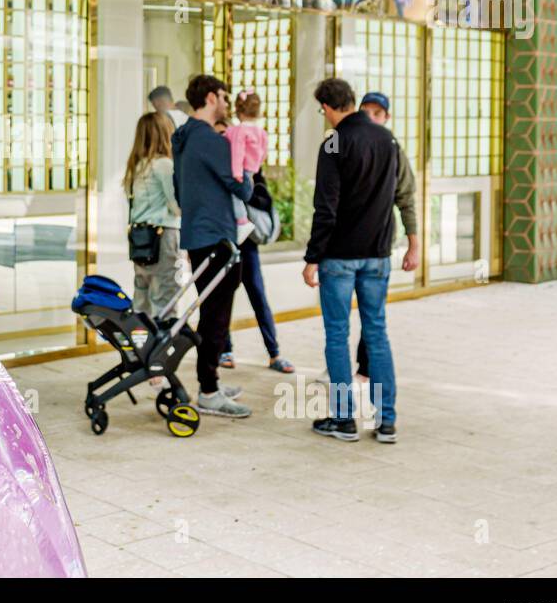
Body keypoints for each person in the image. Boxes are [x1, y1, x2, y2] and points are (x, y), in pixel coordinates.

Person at [302, 78, 399, 443]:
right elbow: (390, 196)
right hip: (377, 255)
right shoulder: (386, 139)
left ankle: (344, 420)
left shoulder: (334, 142)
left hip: (340, 257)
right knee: (377, 333)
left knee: (338, 335)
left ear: (327, 108)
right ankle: (386, 420)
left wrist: (313, 257)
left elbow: (325, 207)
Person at [171, 74, 255, 418]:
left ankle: (212, 381)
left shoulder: (183, 137)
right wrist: (248, 173)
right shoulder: (211, 140)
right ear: (209, 98)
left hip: (195, 234)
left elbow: (179, 191)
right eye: (222, 96)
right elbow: (244, 188)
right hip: (217, 237)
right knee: (217, 316)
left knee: (211, 311)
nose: (226, 102)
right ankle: (208, 390)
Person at [222, 91, 293, 373]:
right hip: (228, 234)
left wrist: (239, 179)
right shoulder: (258, 135)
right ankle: (225, 349)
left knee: (256, 292)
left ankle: (273, 352)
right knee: (225, 294)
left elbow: (247, 178)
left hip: (245, 237)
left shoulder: (236, 136)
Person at [355, 92, 419, 381]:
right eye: (366, 112)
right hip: (345, 246)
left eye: (377, 113)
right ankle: (347, 367)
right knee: (342, 318)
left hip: (378, 246)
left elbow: (406, 198)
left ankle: (365, 367)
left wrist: (413, 244)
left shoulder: (394, 150)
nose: (371, 118)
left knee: (373, 313)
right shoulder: (345, 144)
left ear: (387, 118)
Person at [124, 112, 182, 320]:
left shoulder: (136, 166)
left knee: (142, 297)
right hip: (162, 236)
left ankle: (141, 345)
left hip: (140, 238)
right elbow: (176, 205)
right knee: (166, 296)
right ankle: (162, 348)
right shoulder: (164, 165)